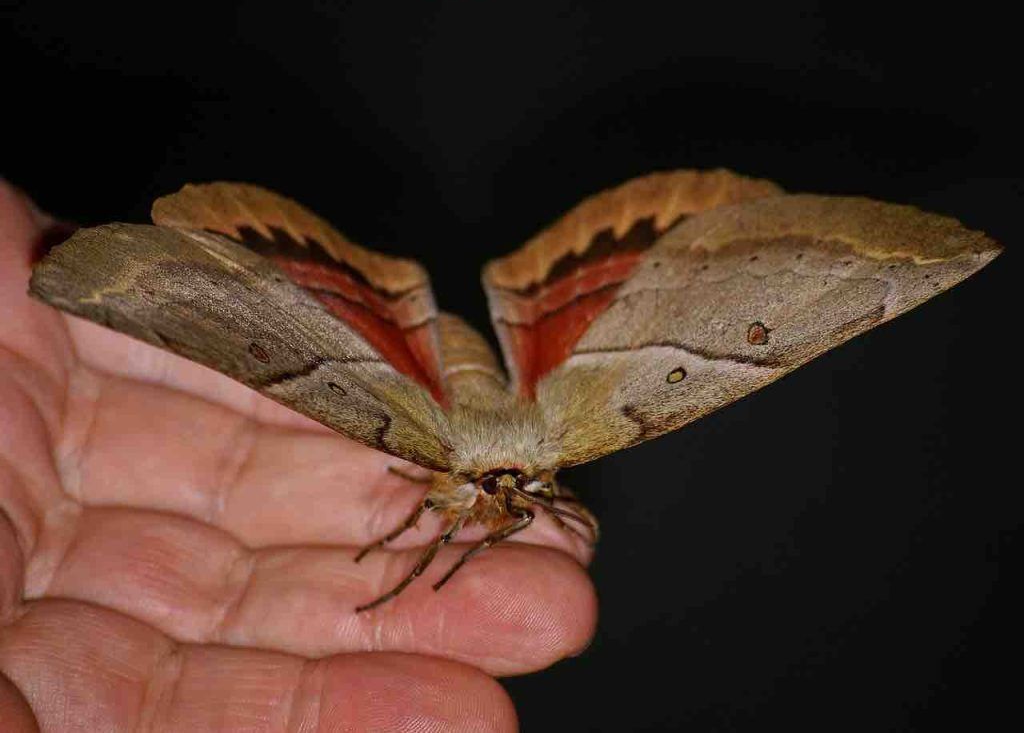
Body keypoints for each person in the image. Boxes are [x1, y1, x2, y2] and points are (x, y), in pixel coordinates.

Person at [0, 181, 596, 732]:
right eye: (505, 491)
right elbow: (452, 505)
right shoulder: (461, 458)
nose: (506, 504)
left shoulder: (499, 468)